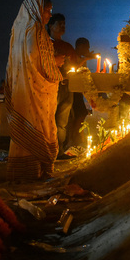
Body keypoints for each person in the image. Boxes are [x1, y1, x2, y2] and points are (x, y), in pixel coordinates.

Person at [5, 0, 63, 181]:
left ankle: (24, 172)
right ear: (37, 9)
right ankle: (38, 170)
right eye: (48, 10)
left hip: (22, 91)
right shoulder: (35, 29)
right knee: (41, 127)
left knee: (26, 126)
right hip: (36, 91)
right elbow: (33, 58)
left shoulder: (18, 28)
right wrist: (55, 62)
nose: (49, 14)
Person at [48, 13, 78, 158]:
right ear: (50, 26)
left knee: (62, 121)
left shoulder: (67, 46)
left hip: (67, 87)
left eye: (64, 24)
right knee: (50, 119)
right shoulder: (45, 45)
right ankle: (49, 150)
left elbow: (75, 65)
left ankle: (59, 151)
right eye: (60, 24)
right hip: (52, 86)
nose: (63, 26)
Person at [68, 37, 97, 147]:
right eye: (87, 47)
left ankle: (77, 138)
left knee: (81, 114)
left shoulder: (81, 58)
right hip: (72, 91)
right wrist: (85, 59)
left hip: (78, 91)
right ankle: (75, 138)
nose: (88, 49)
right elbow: (74, 70)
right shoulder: (73, 56)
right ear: (80, 46)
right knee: (79, 114)